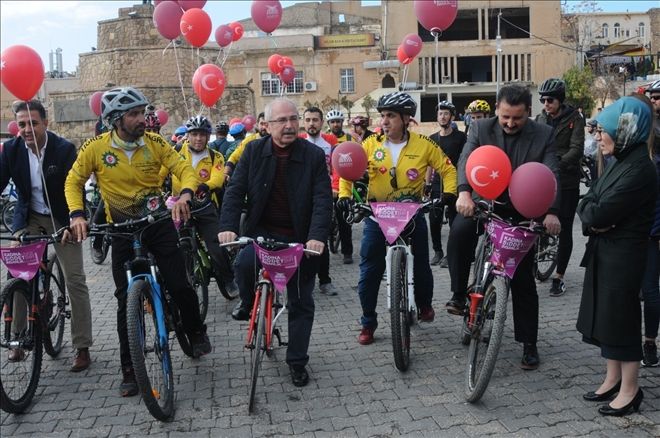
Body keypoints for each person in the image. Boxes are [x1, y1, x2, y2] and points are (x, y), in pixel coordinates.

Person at [64, 87, 211, 397]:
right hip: (120, 229)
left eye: (142, 112)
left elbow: (183, 169)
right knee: (123, 302)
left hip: (156, 223)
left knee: (179, 283)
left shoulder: (155, 143)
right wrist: (77, 214)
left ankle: (195, 329)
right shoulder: (95, 148)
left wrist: (185, 193)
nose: (142, 119)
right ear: (116, 120)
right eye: (133, 114)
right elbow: (73, 181)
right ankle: (130, 368)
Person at [445, 84, 561, 370]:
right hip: (483, 204)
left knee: (522, 278)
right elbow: (466, 159)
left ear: (528, 114)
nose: (510, 123)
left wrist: (552, 212)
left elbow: (551, 172)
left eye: (517, 118)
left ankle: (528, 343)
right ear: (497, 109)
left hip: (522, 212)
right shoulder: (481, 128)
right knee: (459, 233)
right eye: (505, 116)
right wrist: (463, 192)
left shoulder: (544, 134)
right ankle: (459, 294)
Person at [218, 97, 332, 387]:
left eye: (293, 119)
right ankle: (247, 303)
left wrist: (317, 237)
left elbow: (322, 200)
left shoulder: (313, 156)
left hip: (299, 237)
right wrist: (229, 227)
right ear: (266, 126)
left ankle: (296, 361)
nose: (289, 125)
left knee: (300, 301)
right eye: (281, 121)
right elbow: (234, 191)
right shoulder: (253, 151)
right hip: (261, 233)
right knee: (243, 265)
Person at [337, 91, 457, 345]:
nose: (384, 121)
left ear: (405, 118)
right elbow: (348, 171)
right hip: (377, 214)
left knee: (422, 265)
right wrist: (345, 195)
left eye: (391, 116)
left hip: (411, 213)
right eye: (382, 116)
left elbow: (448, 169)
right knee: (369, 269)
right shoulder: (369, 145)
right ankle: (368, 321)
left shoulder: (425, 145)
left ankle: (424, 305)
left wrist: (448, 195)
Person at [576, 96, 657, 416]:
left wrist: (592, 215)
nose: (598, 136)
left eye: (604, 130)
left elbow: (596, 212)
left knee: (621, 319)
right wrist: (591, 214)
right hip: (608, 251)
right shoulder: (621, 161)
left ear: (626, 130)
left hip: (624, 255)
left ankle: (630, 388)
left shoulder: (640, 169)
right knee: (607, 317)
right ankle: (612, 378)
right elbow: (590, 203)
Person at [1, 99, 94, 372]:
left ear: (46, 123)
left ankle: (82, 345)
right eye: (22, 125)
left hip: (63, 216)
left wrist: (71, 222)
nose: (27, 129)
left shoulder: (64, 149)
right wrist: (17, 231)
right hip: (29, 217)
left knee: (76, 279)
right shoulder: (11, 150)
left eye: (33, 123)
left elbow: (74, 189)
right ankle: (18, 338)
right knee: (18, 274)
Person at [160, 115, 236, 295]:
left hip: (204, 207)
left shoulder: (214, 156)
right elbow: (160, 174)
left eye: (202, 134)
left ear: (208, 136)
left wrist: (205, 186)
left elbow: (217, 179)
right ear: (188, 135)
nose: (198, 138)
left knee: (216, 246)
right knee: (172, 247)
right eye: (194, 134)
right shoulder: (176, 152)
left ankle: (228, 280)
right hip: (179, 207)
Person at [535, 78, 585, 297]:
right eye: (543, 100)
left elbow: (576, 149)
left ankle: (559, 276)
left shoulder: (575, 119)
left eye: (550, 100)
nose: (546, 104)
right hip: (541, 180)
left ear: (560, 100)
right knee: (534, 223)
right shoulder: (539, 118)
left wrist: (556, 164)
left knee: (564, 228)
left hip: (566, 180)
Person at [428, 101, 466, 268]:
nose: (442, 117)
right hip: (437, 184)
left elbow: (465, 161)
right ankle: (438, 251)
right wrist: (427, 183)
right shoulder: (432, 139)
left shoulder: (461, 137)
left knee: (453, 221)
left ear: (452, 116)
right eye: (440, 114)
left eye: (446, 113)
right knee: (434, 220)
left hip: (455, 184)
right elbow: (429, 164)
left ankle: (451, 253)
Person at [640, 81, 660, 367]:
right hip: (648, 231)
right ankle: (649, 342)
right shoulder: (641, 147)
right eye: (654, 97)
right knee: (650, 290)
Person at [224, 113, 268, 177]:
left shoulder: (276, 140)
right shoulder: (249, 140)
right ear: (257, 125)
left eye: (266, 124)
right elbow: (234, 156)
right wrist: (226, 172)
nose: (264, 127)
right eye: (262, 124)